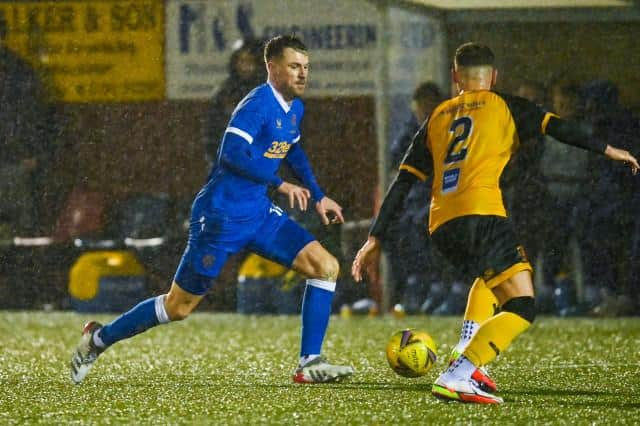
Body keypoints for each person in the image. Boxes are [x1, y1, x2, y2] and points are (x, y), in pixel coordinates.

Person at [352, 42, 639, 404]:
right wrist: (608, 149)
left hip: (442, 226)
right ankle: (460, 372)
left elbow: (402, 183)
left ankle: (464, 351)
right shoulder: (505, 104)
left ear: (456, 77)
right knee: (522, 305)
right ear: (494, 76)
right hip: (483, 214)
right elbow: (559, 129)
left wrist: (374, 238)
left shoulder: (436, 116)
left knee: (492, 279)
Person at [70, 35, 354, 385]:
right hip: (220, 216)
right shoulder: (256, 105)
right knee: (178, 307)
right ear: (272, 67)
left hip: (259, 214)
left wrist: (318, 194)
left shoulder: (294, 107)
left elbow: (292, 149)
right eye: (295, 66)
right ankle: (97, 339)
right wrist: (280, 183)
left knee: (325, 266)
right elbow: (230, 155)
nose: (302, 74)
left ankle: (309, 362)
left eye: (306, 67)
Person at [203, 38, 266, 168]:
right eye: (241, 61)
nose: (244, 67)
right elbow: (212, 131)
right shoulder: (225, 93)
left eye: (249, 61)